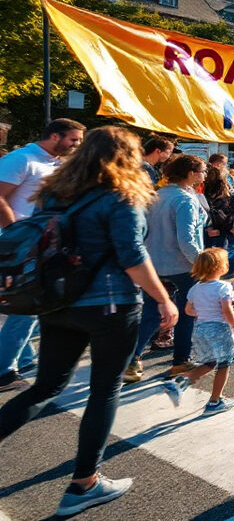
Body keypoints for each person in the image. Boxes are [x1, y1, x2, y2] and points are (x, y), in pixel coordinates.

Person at [0, 126, 176, 517]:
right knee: (104, 390)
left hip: (57, 301)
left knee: (46, 385)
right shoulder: (121, 196)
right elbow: (132, 256)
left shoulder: (55, 192)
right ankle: (85, 483)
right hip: (109, 303)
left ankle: (86, 481)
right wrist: (163, 299)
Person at [0, 118, 85, 393]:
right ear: (55, 136)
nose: (77, 145)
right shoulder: (21, 159)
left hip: (40, 245)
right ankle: (3, 370)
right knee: (28, 306)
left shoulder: (55, 164)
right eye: (73, 139)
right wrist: (16, 232)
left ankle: (23, 359)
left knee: (33, 306)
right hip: (19, 244)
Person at [128, 154, 209, 384]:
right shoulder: (184, 200)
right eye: (202, 171)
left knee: (151, 313)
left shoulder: (156, 195)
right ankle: (180, 360)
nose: (204, 175)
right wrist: (201, 263)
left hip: (153, 263)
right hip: (182, 264)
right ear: (191, 173)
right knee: (187, 313)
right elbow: (187, 239)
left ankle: (132, 359)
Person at [161, 248, 234, 415]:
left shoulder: (195, 288)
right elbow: (227, 310)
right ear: (219, 267)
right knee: (224, 364)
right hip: (219, 329)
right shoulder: (224, 286)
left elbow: (188, 310)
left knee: (209, 363)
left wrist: (203, 312)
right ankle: (215, 401)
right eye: (225, 263)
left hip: (200, 329)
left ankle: (179, 383)